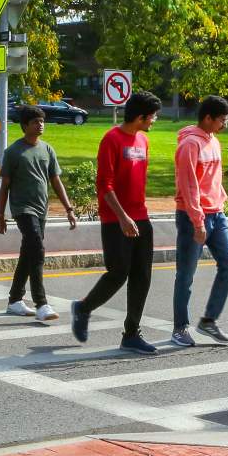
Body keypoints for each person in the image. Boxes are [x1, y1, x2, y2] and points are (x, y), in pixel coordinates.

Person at [71, 89, 161, 354]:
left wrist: (136, 215)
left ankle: (131, 333)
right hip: (115, 219)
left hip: (141, 216)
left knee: (142, 276)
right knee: (118, 273)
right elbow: (104, 184)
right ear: (141, 117)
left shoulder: (143, 141)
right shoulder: (111, 139)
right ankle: (83, 307)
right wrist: (122, 217)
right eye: (152, 116)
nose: (154, 121)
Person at [0, 104, 77, 322]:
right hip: (23, 209)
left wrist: (69, 208)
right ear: (24, 126)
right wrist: (1, 215)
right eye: (35, 121)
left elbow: (56, 181)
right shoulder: (13, 152)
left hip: (42, 209)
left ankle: (14, 300)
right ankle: (41, 303)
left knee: (28, 252)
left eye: (42, 121)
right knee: (37, 249)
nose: (40, 124)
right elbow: (4, 186)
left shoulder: (47, 149)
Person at [171, 95, 228, 347]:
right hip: (192, 216)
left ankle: (208, 320)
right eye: (222, 119)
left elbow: (213, 180)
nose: (225, 124)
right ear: (207, 118)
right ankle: (179, 328)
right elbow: (188, 186)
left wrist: (220, 203)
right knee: (186, 275)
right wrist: (198, 222)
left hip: (216, 214)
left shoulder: (214, 141)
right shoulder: (190, 144)